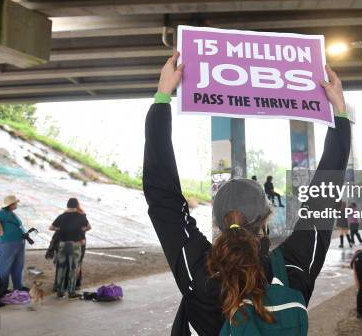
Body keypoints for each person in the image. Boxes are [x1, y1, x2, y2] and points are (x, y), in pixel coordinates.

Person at [143, 52, 350, 335]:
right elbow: (324, 198)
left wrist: (162, 97)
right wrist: (339, 112)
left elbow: (161, 196)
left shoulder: (199, 274)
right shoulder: (293, 269)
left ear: (217, 222)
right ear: (265, 219)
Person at [50, 198, 91, 298]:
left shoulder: (62, 216)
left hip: (62, 244)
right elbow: (89, 227)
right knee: (73, 268)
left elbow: (51, 227)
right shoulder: (81, 216)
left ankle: (60, 291)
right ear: (76, 205)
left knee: (61, 268)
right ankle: (71, 292)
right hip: (75, 245)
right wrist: (81, 230)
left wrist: (59, 229)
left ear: (67, 205)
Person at [0, 195, 28, 294]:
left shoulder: (11, 213)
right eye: (15, 203)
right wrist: (0, 229)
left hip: (18, 242)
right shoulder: (3, 213)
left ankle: (18, 286)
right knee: (4, 266)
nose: (16, 204)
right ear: (10, 205)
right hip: (7, 243)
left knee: (18, 266)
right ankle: (2, 289)